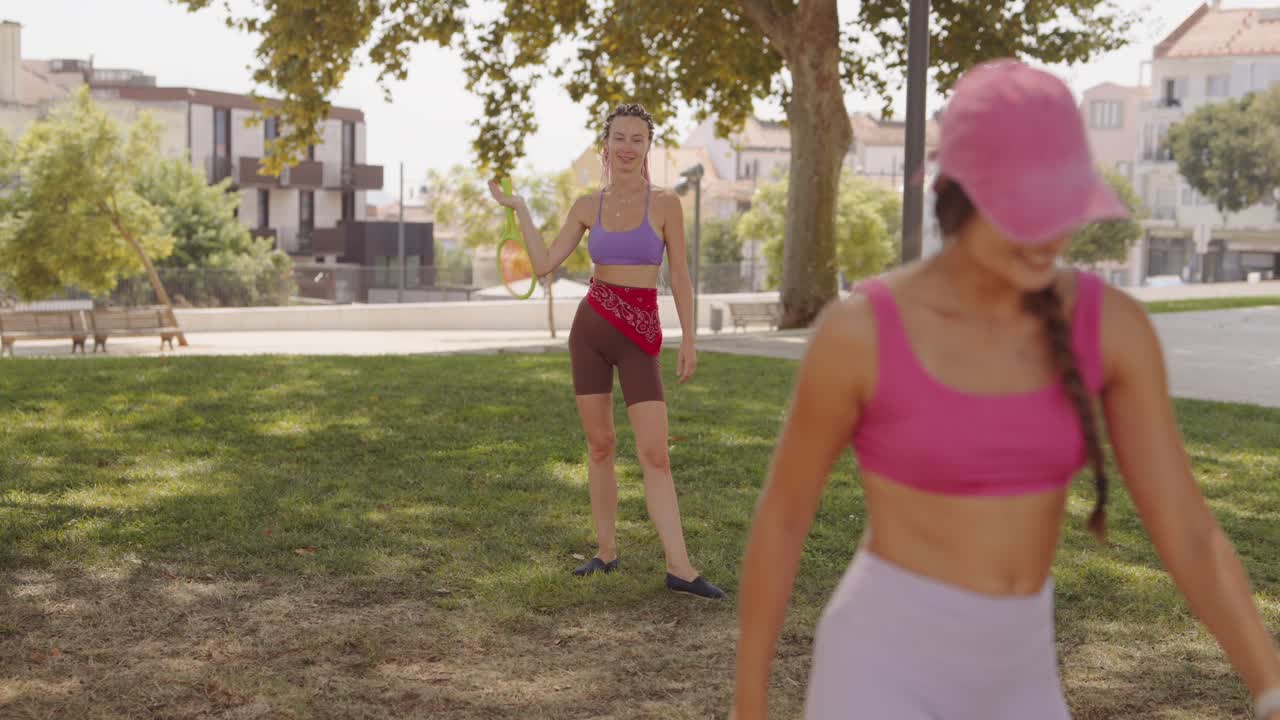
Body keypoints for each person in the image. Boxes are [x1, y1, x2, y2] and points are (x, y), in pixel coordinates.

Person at [730, 59, 1280, 719]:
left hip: (1020, 674)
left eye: (1062, 208)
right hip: (880, 668)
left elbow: (1187, 529)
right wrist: (750, 703)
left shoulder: (1112, 329)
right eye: (1026, 211)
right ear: (955, 197)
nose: (1052, 236)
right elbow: (784, 518)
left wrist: (1270, 685)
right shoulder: (858, 335)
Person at [487, 103, 724, 600]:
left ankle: (680, 567)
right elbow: (545, 263)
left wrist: (690, 338)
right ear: (606, 145)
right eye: (619, 137)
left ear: (648, 148)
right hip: (591, 330)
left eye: (638, 139)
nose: (627, 147)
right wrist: (521, 210)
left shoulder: (666, 204)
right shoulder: (584, 206)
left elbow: (679, 273)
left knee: (655, 454)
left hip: (641, 335)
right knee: (600, 447)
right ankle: (606, 551)